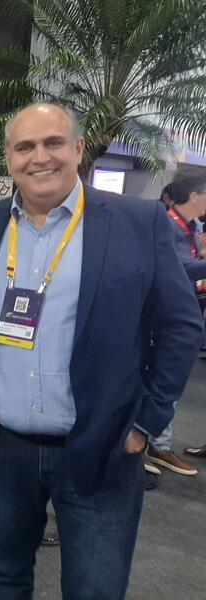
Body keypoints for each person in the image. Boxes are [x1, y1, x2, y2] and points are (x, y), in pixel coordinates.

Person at [0, 103, 203, 599]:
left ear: (78, 149)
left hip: (103, 446)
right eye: (25, 147)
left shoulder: (137, 221)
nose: (39, 157)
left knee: (95, 589)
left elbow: (181, 326)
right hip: (2, 449)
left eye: (53, 143)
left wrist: (146, 423)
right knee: (4, 577)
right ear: (8, 159)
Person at [160, 174, 206, 462]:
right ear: (195, 196)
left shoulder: (190, 225)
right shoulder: (169, 224)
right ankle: (156, 446)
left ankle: (157, 444)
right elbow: (183, 268)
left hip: (185, 309)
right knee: (166, 378)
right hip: (168, 315)